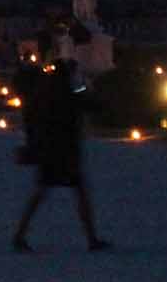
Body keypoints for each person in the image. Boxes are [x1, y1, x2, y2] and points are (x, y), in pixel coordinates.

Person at [12, 34, 110, 253]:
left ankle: (20, 235)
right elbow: (87, 103)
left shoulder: (49, 90)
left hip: (53, 148)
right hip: (63, 149)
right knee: (71, 193)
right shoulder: (66, 90)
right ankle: (91, 239)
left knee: (44, 193)